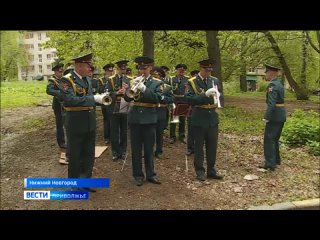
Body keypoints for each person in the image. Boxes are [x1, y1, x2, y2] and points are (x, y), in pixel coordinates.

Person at [59, 53, 97, 192]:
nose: (90, 68)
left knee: (88, 154)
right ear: (80, 65)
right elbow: (70, 100)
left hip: (89, 122)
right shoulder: (66, 80)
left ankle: (86, 181)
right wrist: (94, 99)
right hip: (75, 122)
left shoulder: (87, 80)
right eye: (88, 65)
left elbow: (89, 98)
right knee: (75, 155)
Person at [124, 56, 162, 186]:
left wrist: (145, 90)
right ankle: (138, 175)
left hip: (149, 119)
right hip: (135, 119)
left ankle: (151, 174)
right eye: (140, 68)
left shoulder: (157, 83)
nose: (142, 71)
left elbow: (157, 98)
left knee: (149, 149)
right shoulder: (133, 80)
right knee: (135, 149)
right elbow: (128, 99)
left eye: (145, 68)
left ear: (150, 68)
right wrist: (130, 89)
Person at [185, 59, 223, 182]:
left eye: (210, 70)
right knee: (199, 146)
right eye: (207, 70)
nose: (208, 73)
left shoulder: (214, 80)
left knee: (212, 146)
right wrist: (204, 95)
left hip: (212, 117)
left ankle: (211, 170)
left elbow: (219, 95)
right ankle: (200, 171)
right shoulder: (192, 82)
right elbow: (189, 99)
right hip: (199, 116)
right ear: (201, 69)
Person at [259, 64, 286, 171]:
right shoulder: (279, 84)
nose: (266, 74)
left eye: (267, 72)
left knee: (269, 139)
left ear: (271, 73)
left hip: (274, 116)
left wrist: (267, 116)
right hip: (281, 114)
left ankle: (270, 163)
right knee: (275, 139)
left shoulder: (272, 86)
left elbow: (272, 103)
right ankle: (276, 160)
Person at [106, 60, 133, 161]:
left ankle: (123, 150)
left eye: (125, 69)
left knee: (124, 130)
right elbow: (107, 93)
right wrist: (117, 92)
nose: (123, 70)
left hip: (125, 104)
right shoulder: (111, 79)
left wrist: (127, 91)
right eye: (122, 69)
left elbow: (132, 94)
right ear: (117, 69)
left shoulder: (130, 79)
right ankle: (115, 151)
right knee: (114, 130)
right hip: (114, 106)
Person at [152, 66, 174, 159]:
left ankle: (159, 151)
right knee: (149, 132)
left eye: (158, 75)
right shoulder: (149, 85)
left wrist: (163, 98)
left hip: (161, 111)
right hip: (151, 110)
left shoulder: (167, 87)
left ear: (161, 76)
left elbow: (171, 99)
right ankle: (148, 150)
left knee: (159, 132)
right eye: (154, 75)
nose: (156, 77)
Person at [46, 62, 66, 151]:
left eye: (61, 72)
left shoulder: (64, 79)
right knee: (59, 124)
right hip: (58, 104)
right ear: (55, 72)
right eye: (59, 72)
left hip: (66, 103)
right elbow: (49, 90)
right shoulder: (52, 80)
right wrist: (59, 93)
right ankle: (61, 142)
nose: (60, 73)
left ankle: (68, 140)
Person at [169, 64, 189, 144]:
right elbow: (170, 91)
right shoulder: (172, 79)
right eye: (180, 70)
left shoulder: (188, 80)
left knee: (182, 119)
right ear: (177, 71)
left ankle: (182, 135)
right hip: (175, 101)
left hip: (184, 101)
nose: (181, 72)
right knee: (173, 119)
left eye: (183, 71)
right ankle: (172, 136)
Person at [97, 63, 114, 144]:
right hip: (105, 102)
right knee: (106, 120)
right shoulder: (101, 80)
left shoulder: (113, 79)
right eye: (108, 71)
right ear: (105, 71)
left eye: (111, 71)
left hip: (113, 102)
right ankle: (107, 137)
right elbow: (99, 90)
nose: (110, 72)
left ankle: (113, 135)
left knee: (113, 119)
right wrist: (107, 83)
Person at [186, 70, 199, 156]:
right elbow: (187, 96)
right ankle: (190, 148)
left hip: (201, 110)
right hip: (192, 109)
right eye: (193, 75)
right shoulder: (189, 84)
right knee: (191, 130)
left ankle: (198, 147)